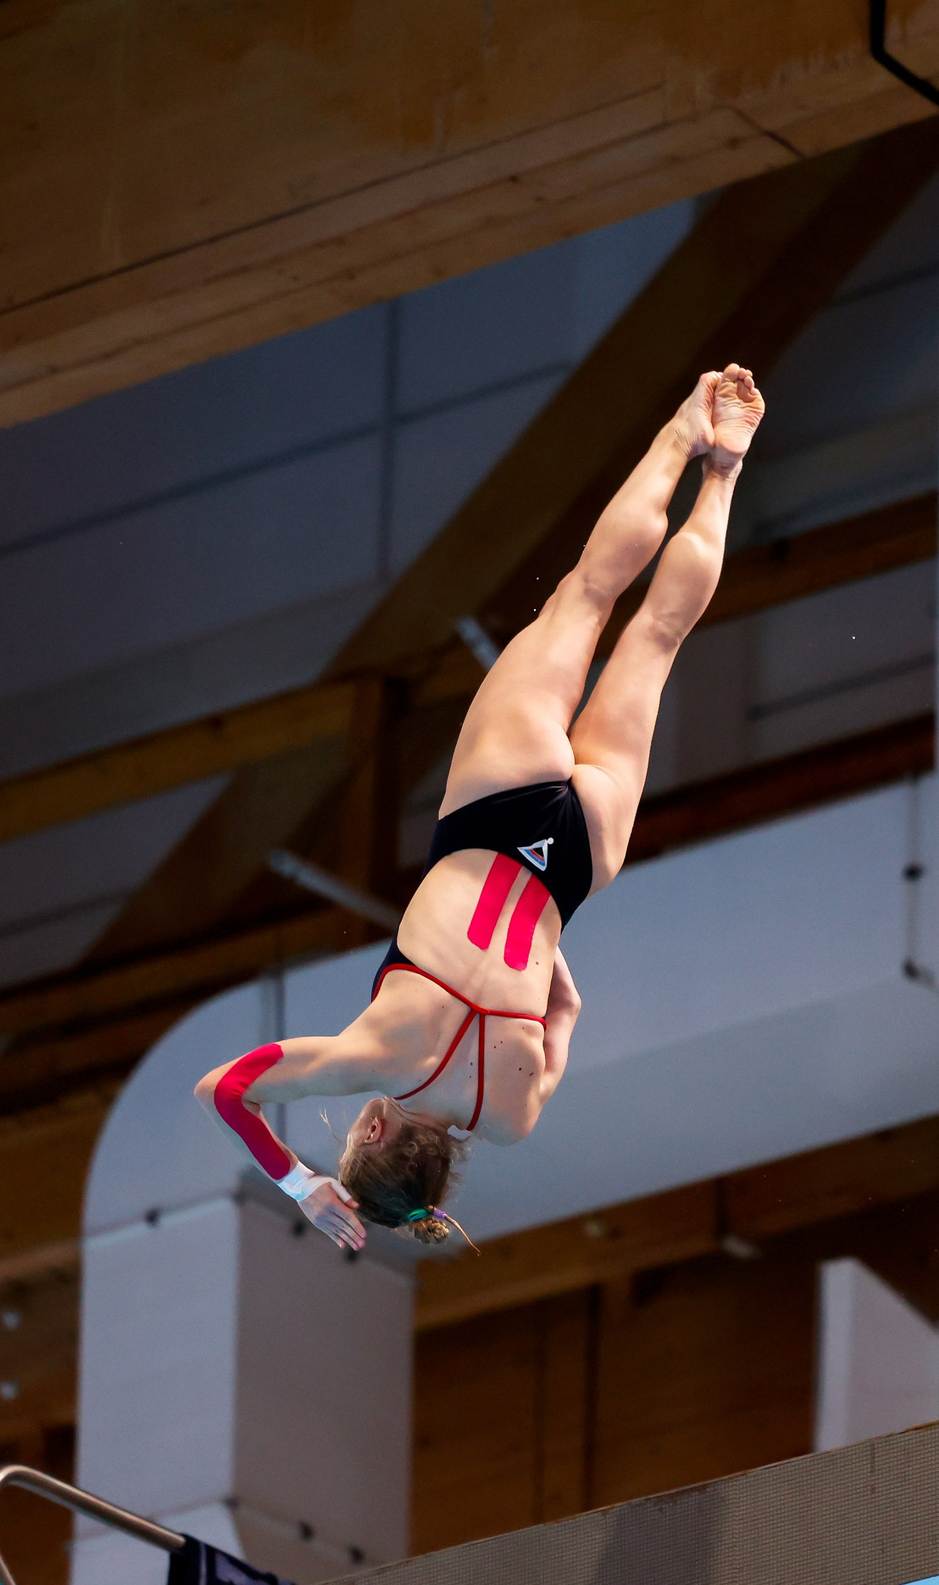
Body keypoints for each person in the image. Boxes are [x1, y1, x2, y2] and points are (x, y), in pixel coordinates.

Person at [195, 364, 766, 1250]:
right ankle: (686, 431)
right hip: (496, 809)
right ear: (376, 1133)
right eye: (349, 1136)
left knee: (657, 638)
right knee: (588, 593)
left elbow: (567, 1006)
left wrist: (542, 965)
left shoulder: (511, 1117)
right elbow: (223, 1090)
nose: (353, 1120)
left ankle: (724, 472)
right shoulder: (373, 1055)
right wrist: (299, 1182)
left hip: (575, 864)